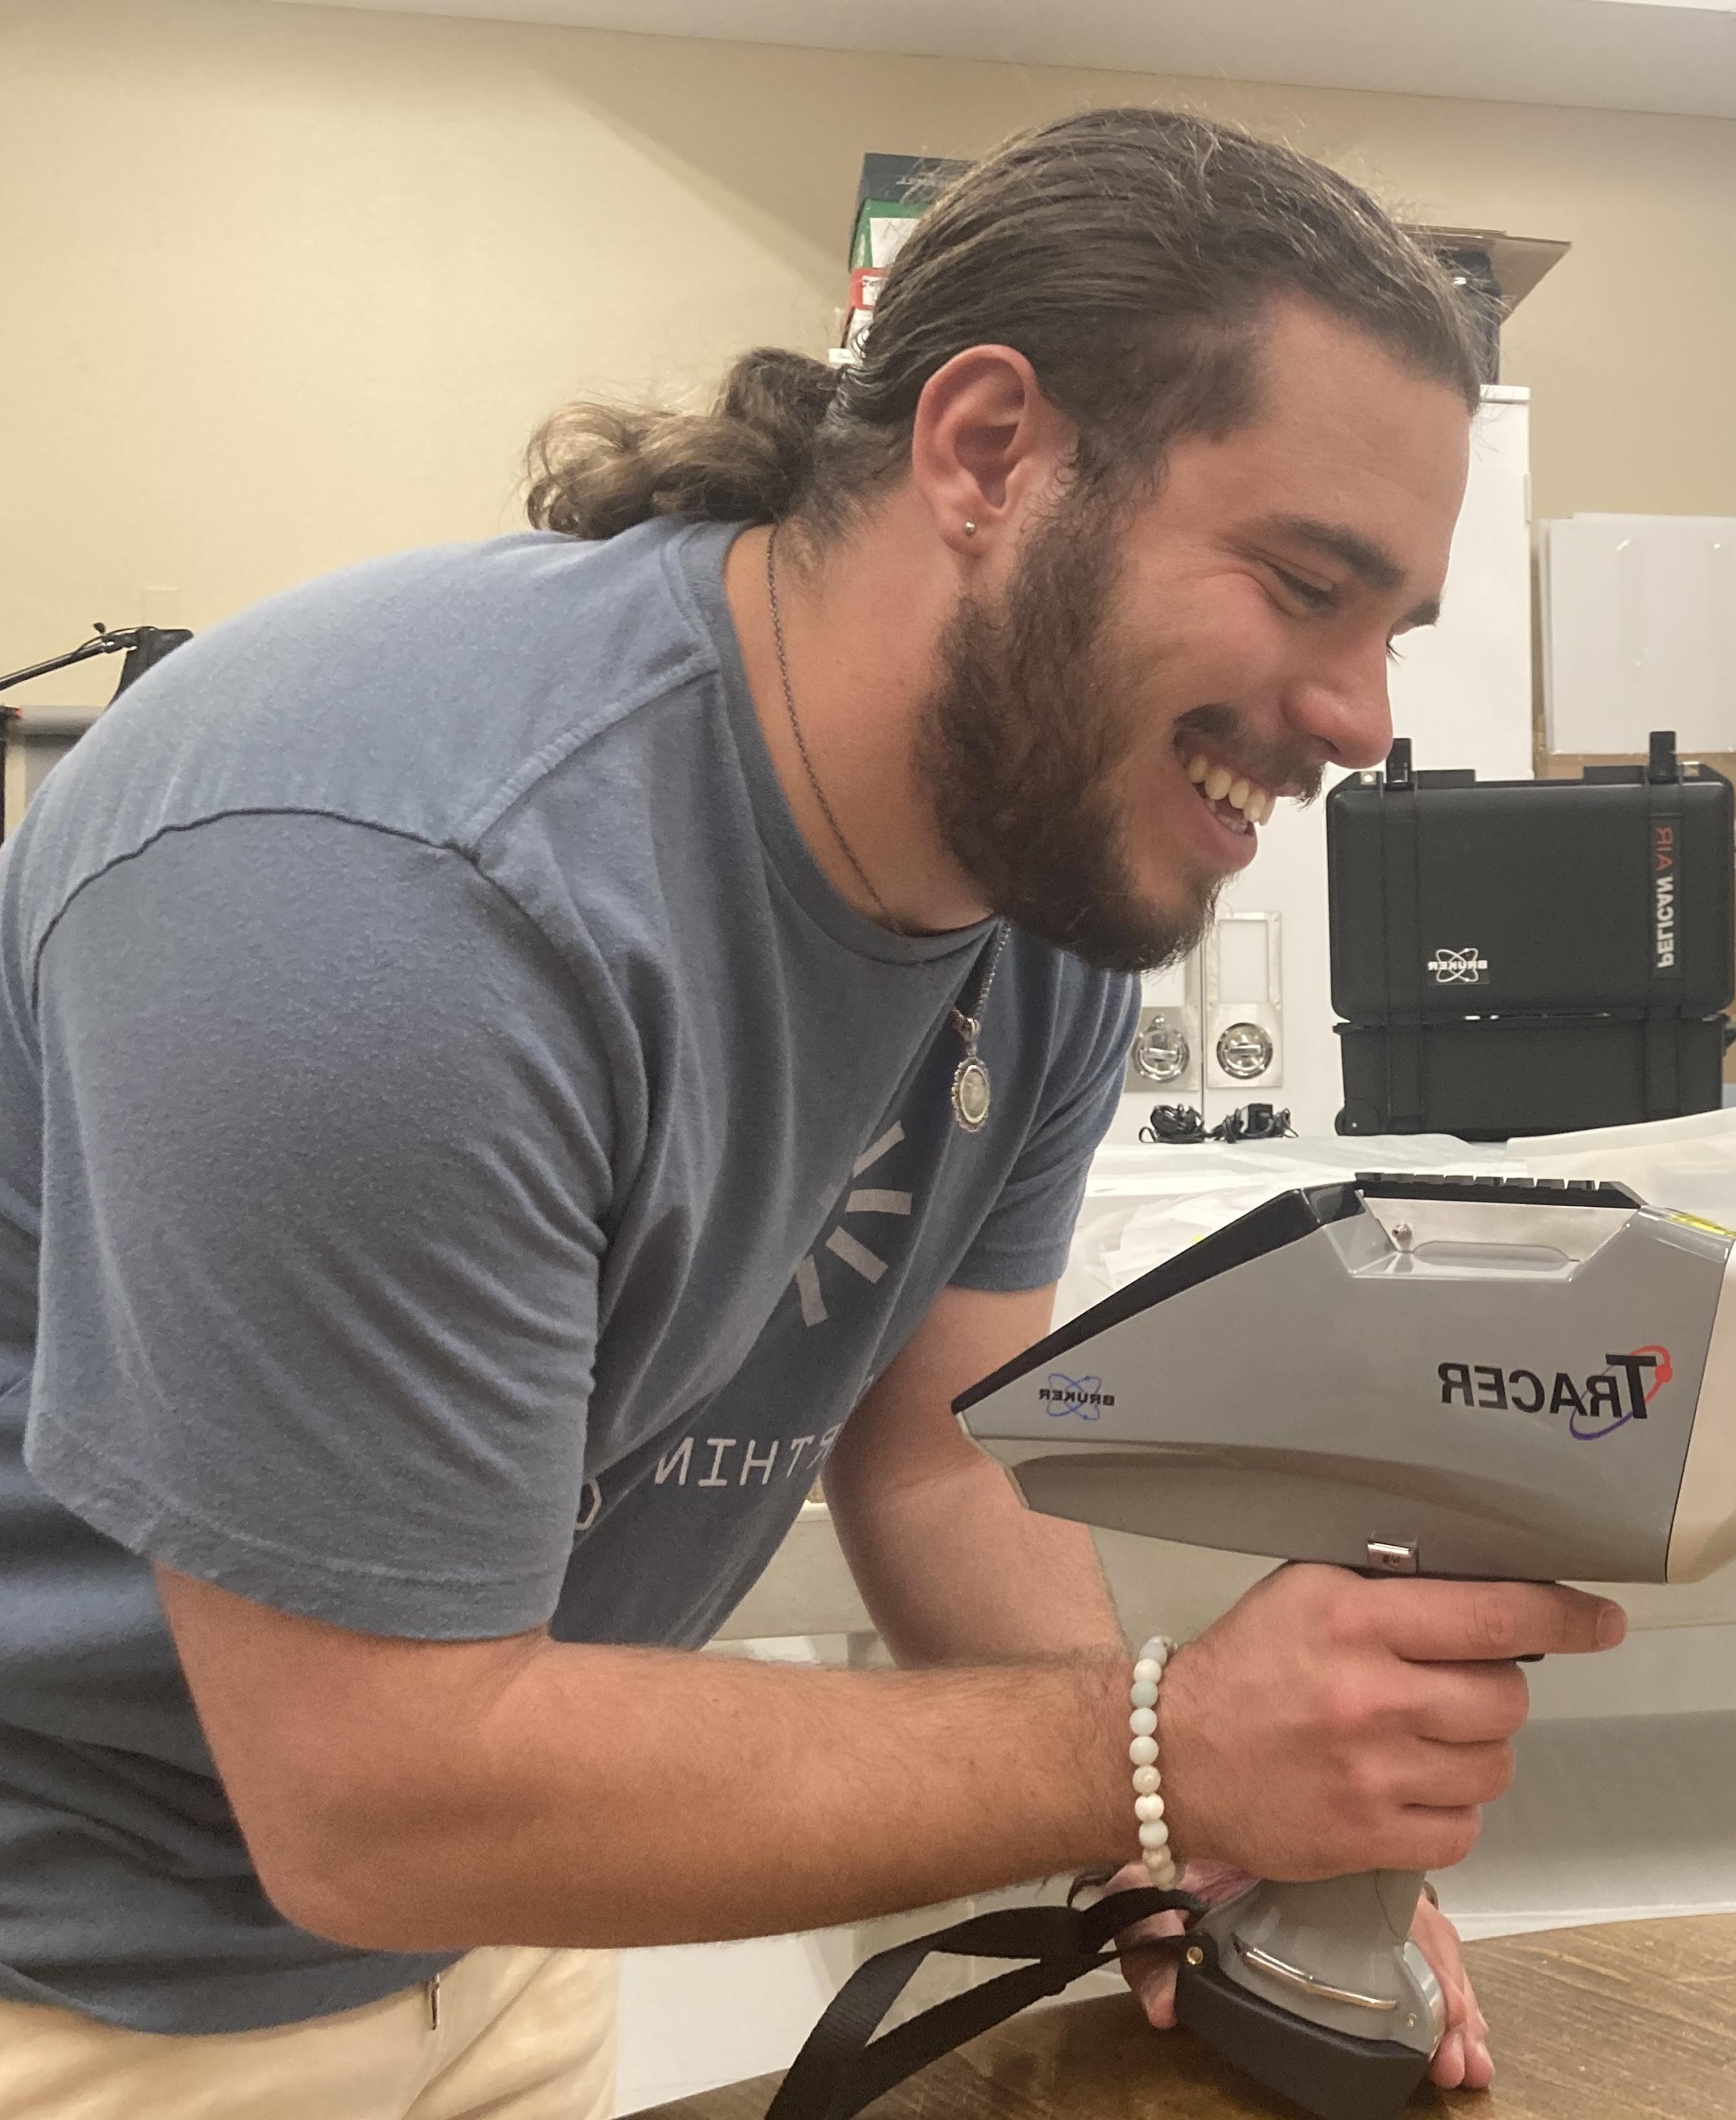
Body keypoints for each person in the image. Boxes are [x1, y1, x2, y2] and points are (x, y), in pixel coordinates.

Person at [0, 106, 1625, 2117]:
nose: (1366, 717)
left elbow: (938, 1458)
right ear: (989, 452)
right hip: (82, 1986)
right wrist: (1164, 1740)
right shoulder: (394, 882)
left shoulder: (1042, 888)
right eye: (1308, 584)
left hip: (493, 1942)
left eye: (1393, 635)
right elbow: (374, 1790)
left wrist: (1170, 1849)